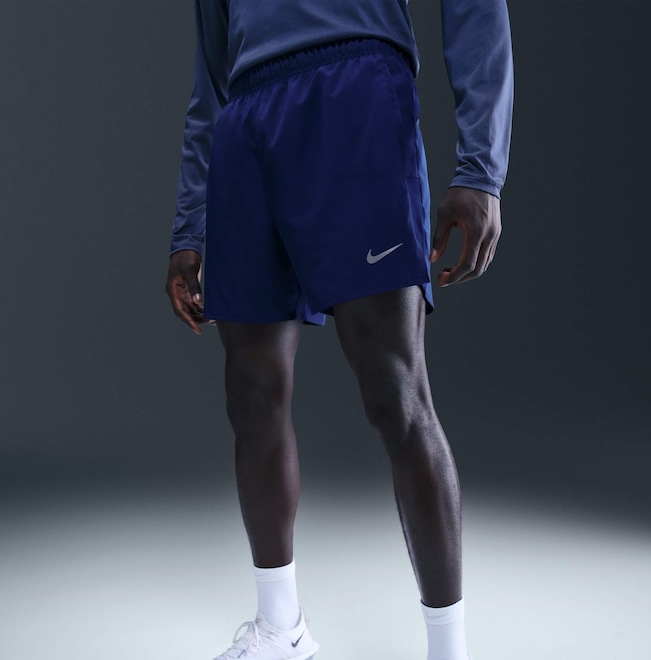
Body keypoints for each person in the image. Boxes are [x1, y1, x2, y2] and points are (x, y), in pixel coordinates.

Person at [166, 1, 513, 658]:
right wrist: (189, 227)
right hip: (245, 117)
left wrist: (480, 167)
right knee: (251, 391)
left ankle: (449, 652)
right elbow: (209, 74)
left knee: (394, 391)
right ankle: (282, 629)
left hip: (351, 88)